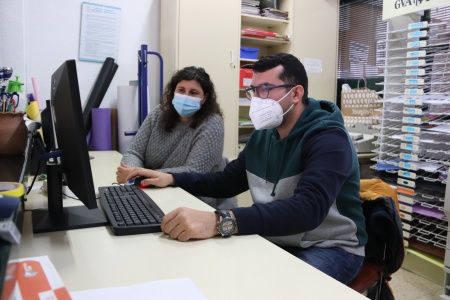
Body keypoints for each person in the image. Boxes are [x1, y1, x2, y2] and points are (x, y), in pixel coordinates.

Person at [125, 53, 367, 285]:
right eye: (253, 90)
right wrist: (171, 178)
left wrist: (218, 220)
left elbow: (308, 210)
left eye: (266, 90)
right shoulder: (264, 134)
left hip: (329, 246)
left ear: (296, 93)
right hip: (277, 237)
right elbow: (226, 182)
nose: (256, 99)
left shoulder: (329, 138)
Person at [117, 66, 237, 209]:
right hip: (153, 191)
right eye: (181, 90)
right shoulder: (159, 113)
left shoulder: (212, 123)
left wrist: (141, 177)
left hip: (193, 199)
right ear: (173, 91)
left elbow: (194, 171)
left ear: (204, 98)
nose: (186, 96)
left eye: (193, 93)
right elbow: (134, 152)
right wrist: (134, 173)